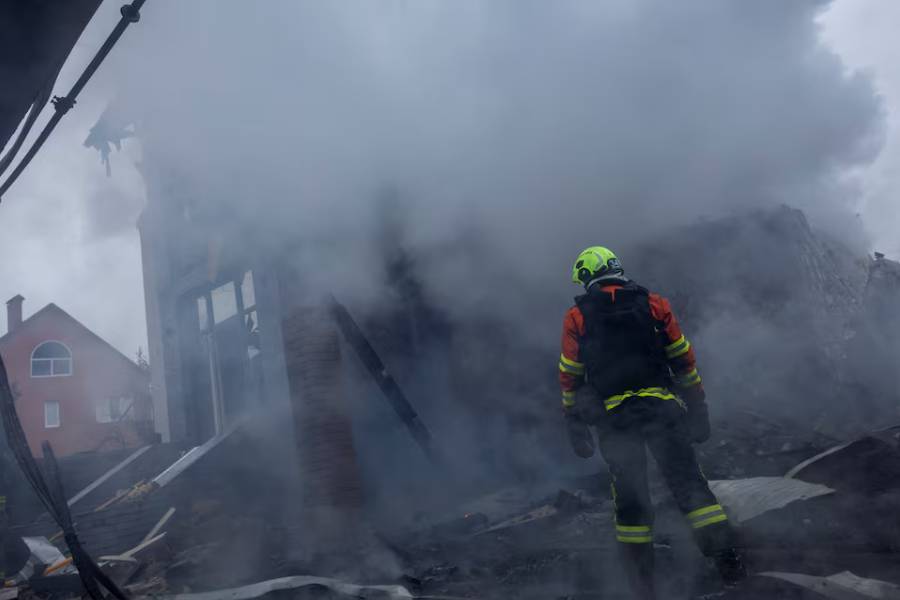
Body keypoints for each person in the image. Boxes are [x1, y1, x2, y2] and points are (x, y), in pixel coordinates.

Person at [558, 246, 746, 598]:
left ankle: (643, 588)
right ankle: (730, 564)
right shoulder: (655, 305)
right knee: (690, 486)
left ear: (587, 276)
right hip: (663, 410)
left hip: (616, 421)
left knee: (630, 500)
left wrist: (575, 422)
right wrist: (698, 408)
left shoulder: (577, 317)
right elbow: (683, 360)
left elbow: (571, 376)